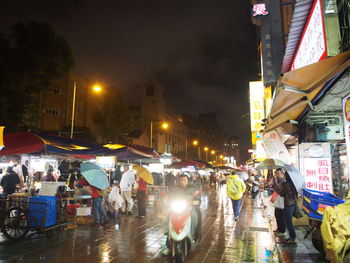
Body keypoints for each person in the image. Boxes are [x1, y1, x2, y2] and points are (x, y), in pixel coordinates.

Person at [278, 171, 297, 246]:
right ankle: (291, 237)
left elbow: (281, 193)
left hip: (288, 205)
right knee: (289, 222)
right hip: (293, 205)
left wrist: (281, 186)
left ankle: (292, 238)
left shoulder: (287, 185)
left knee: (289, 223)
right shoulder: (294, 184)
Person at [273, 169, 286, 237]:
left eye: (278, 173)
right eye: (276, 173)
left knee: (281, 216)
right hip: (278, 200)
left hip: (282, 200)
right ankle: (279, 229)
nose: (277, 175)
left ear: (282, 173)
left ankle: (282, 231)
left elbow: (281, 191)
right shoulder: (278, 180)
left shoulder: (284, 181)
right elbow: (275, 188)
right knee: (276, 214)